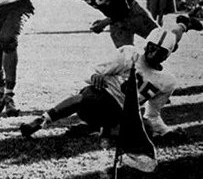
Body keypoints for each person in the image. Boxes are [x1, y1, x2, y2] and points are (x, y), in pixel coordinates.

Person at [19, 26, 190, 143]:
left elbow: (152, 115)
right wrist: (94, 76)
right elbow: (94, 70)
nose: (152, 54)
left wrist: (166, 131)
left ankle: (98, 130)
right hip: (101, 98)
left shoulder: (167, 81)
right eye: (151, 48)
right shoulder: (129, 53)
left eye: (159, 52)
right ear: (146, 45)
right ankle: (42, 120)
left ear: (167, 55)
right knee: (87, 96)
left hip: (121, 113)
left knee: (146, 129)